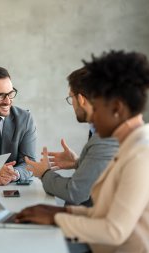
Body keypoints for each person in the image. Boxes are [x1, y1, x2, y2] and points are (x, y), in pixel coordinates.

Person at [16, 51, 149, 252]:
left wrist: (55, 217)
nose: (92, 118)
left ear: (117, 108)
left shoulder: (143, 154)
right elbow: (106, 214)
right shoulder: (130, 147)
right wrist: (61, 211)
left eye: (96, 108)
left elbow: (113, 230)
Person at [26, 67, 118, 206]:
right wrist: (78, 163)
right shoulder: (100, 129)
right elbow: (102, 174)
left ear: (80, 99)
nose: (72, 104)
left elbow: (75, 193)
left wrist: (44, 173)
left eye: (71, 97)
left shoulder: (105, 138)